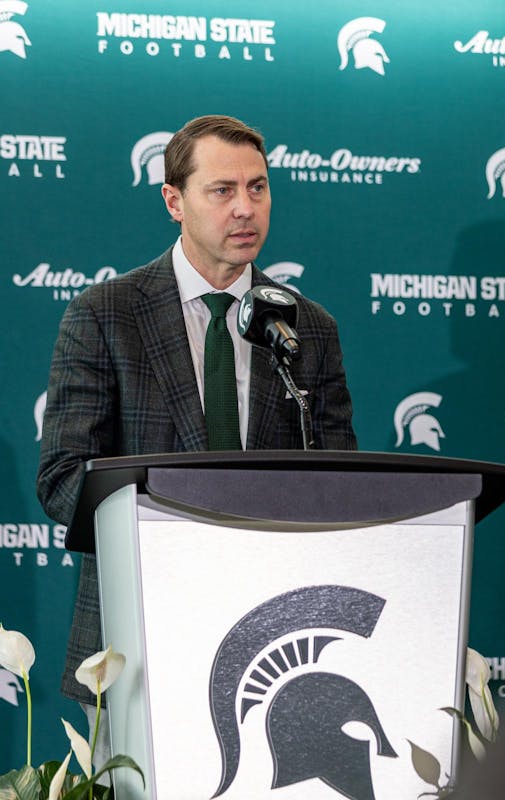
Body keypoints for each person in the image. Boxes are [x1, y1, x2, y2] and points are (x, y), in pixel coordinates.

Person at [36, 114, 356, 753]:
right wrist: (176, 529)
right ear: (174, 201)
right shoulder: (105, 315)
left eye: (258, 188)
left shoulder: (308, 327)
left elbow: (340, 481)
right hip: (139, 642)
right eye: (222, 191)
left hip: (276, 643)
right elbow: (63, 479)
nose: (245, 208)